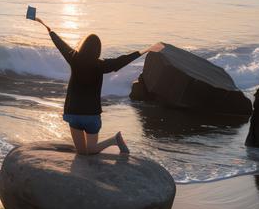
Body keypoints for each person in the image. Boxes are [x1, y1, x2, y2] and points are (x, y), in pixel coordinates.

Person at [35, 17, 163, 155]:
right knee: (90, 150)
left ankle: (114, 141)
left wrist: (48, 28)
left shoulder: (74, 59)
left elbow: (60, 44)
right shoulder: (101, 65)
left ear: (83, 46)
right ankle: (113, 140)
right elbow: (122, 61)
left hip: (74, 113)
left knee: (83, 152)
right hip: (92, 115)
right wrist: (145, 50)